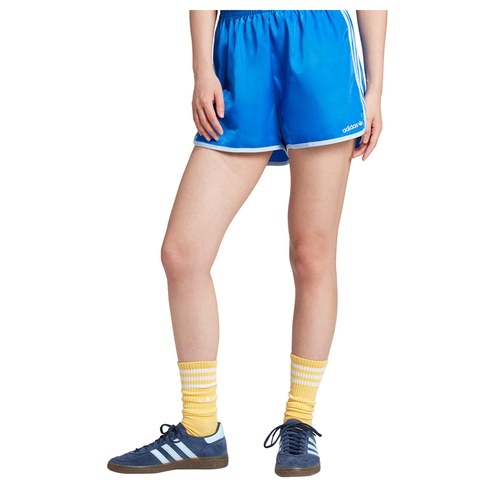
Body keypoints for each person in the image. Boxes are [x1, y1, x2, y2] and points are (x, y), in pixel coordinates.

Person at [107, 9, 387, 477]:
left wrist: (376, 88)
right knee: (183, 252)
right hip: (240, 44)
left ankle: (299, 421)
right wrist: (201, 67)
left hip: (317, 42)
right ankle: (200, 430)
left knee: (311, 252)